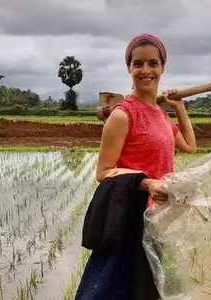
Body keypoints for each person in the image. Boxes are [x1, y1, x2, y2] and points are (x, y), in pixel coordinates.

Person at [76, 33, 196, 299]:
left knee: (147, 287)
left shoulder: (162, 116)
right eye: (138, 64)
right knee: (113, 288)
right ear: (129, 68)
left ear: (162, 67)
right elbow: (103, 172)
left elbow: (189, 145)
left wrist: (180, 108)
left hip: (156, 216)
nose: (146, 70)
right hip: (127, 216)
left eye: (153, 63)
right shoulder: (122, 115)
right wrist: (147, 182)